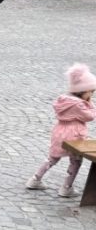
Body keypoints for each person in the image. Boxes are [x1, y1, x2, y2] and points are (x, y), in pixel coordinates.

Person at [26, 63, 96, 197]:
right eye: (91, 92)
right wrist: (90, 104)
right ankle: (66, 188)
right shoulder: (79, 105)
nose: (92, 95)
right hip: (74, 135)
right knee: (76, 161)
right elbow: (90, 117)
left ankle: (35, 179)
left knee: (52, 157)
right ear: (82, 91)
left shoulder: (64, 100)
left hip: (59, 132)